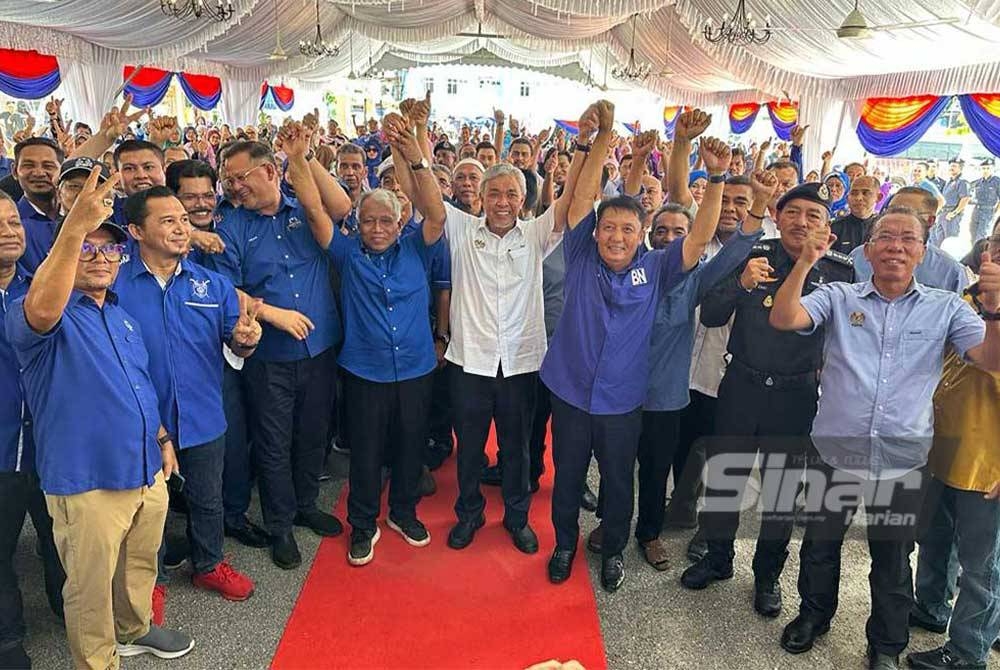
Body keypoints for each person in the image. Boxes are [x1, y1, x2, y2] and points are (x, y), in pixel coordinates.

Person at [769, 207, 1000, 669]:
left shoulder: (946, 307)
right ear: (868, 249)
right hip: (835, 448)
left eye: (907, 238)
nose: (896, 246)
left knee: (893, 557)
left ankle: (887, 643)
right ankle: (813, 615)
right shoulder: (839, 296)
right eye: (886, 237)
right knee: (821, 543)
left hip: (902, 457)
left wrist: (995, 310)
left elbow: (989, 358)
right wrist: (805, 263)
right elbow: (784, 317)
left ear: (922, 251)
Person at [6, 167, 194, 668]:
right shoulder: (38, 310)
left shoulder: (120, 314)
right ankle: (97, 661)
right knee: (89, 589)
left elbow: (139, 386)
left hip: (144, 468)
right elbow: (42, 310)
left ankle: (133, 629)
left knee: (138, 565)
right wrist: (74, 228)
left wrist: (162, 439)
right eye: (86, 248)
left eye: (110, 250)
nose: (100, 257)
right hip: (86, 482)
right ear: (64, 252)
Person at [544, 98, 729, 593]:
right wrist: (603, 136)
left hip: (623, 401)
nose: (616, 236)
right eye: (609, 227)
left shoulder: (657, 268)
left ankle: (614, 553)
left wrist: (715, 178)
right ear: (595, 233)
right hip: (570, 393)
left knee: (618, 482)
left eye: (627, 229)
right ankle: (563, 545)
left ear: (642, 233)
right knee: (567, 478)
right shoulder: (581, 255)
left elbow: (698, 238)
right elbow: (581, 201)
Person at [681, 183, 854, 619]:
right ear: (777, 216)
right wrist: (741, 283)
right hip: (742, 385)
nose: (801, 222)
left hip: (796, 396)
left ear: (827, 227)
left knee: (781, 492)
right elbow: (712, 314)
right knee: (725, 480)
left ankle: (766, 576)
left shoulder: (839, 272)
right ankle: (717, 558)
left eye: (813, 216)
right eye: (792, 212)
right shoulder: (754, 254)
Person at [394, 144, 558, 555]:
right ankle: (469, 514)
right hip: (469, 362)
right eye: (494, 193)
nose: (502, 202)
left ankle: (517, 518)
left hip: (520, 363)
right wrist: (414, 153)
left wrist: (594, 141)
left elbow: (578, 199)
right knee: (469, 448)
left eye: (511, 195)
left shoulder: (536, 234)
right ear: (481, 197)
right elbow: (421, 196)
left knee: (516, 448)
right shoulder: (462, 229)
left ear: (524, 200)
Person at [206, 140, 352, 570]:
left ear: (270, 171)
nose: (234, 187)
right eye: (228, 180)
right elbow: (224, 288)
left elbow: (341, 208)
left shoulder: (303, 207)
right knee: (273, 442)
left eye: (240, 177)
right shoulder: (231, 225)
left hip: (319, 347)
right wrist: (271, 313)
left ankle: (306, 504)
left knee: (313, 432)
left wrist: (303, 157)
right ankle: (280, 524)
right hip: (268, 355)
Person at [115, 186, 258, 620]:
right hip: (141, 422)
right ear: (136, 231)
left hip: (203, 414)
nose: (181, 229)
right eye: (168, 221)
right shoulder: (115, 282)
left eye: (183, 220)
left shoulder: (211, 284)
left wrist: (246, 340)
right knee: (148, 508)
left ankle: (209, 564)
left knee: (208, 498)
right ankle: (150, 582)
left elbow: (237, 340)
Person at [632, 170, 775, 572]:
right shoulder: (635, 271)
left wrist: (755, 204)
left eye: (680, 231)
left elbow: (731, 254)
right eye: (661, 231)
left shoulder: (697, 278)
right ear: (650, 235)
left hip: (667, 393)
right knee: (617, 464)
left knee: (659, 467)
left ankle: (649, 533)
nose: (669, 238)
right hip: (623, 389)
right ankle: (610, 524)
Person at [907, 230, 1000, 670]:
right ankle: (930, 607)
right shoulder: (964, 300)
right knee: (935, 539)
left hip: (988, 465)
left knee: (981, 567)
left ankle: (968, 651)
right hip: (942, 448)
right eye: (999, 246)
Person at [164, 159, 269, 549]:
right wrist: (191, 235)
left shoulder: (230, 222)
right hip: (174, 360)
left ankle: (232, 517)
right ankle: (178, 531)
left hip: (225, 356)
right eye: (189, 197)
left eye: (208, 195)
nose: (201, 203)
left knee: (231, 442)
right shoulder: (161, 238)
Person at [0, 191, 64, 670]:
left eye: (13, 222)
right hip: (1, 449)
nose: (9, 232)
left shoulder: (42, 285)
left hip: (49, 443)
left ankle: (66, 606)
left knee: (58, 537)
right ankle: (7, 636)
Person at [851, 187, 969, 294]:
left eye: (909, 213)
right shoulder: (858, 257)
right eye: (891, 211)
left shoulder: (951, 271)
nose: (897, 218)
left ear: (930, 220)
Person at [13, 137, 63, 273]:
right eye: (28, 165)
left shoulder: (79, 216)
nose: (39, 173)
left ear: (61, 171)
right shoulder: (10, 226)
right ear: (14, 171)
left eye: (48, 166)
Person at [830, 175, 879, 254]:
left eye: (865, 193)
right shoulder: (834, 227)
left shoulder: (884, 228)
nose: (859, 198)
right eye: (854, 193)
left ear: (878, 197)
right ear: (847, 198)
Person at [932, 158, 970, 244]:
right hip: (943, 214)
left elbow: (965, 199)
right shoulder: (949, 181)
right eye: (950, 166)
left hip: (951, 215)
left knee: (950, 242)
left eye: (954, 166)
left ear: (960, 168)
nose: (951, 168)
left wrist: (954, 213)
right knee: (939, 241)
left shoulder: (962, 182)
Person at [970, 158, 1000, 242]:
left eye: (988, 168)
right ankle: (975, 250)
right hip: (976, 210)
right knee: (972, 233)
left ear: (993, 169)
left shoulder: (997, 182)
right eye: (983, 168)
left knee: (982, 235)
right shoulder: (978, 182)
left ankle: (981, 250)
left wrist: (995, 211)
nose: (985, 170)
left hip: (988, 211)